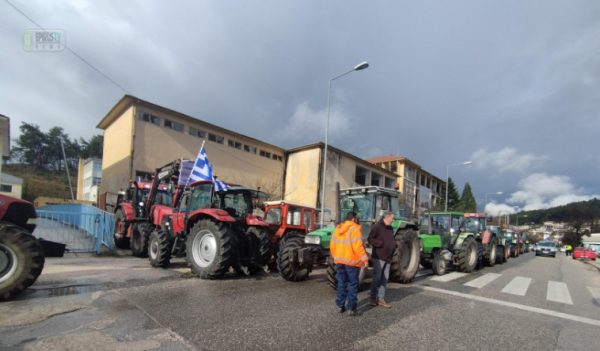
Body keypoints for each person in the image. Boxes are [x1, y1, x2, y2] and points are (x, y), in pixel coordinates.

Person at [330, 211, 368, 316]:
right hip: (352, 262)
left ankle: (340, 306)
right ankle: (352, 308)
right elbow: (358, 247)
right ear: (353, 219)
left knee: (341, 283)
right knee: (352, 284)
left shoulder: (337, 229)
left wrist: (335, 257)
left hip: (339, 261)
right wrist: (365, 260)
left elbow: (332, 245)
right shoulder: (354, 229)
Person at [368, 211, 396, 309]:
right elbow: (370, 239)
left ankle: (381, 299)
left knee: (384, 279)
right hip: (379, 257)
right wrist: (380, 244)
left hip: (388, 258)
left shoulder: (390, 228)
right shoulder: (377, 227)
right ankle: (372, 298)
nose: (393, 220)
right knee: (377, 278)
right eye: (392, 218)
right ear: (387, 217)